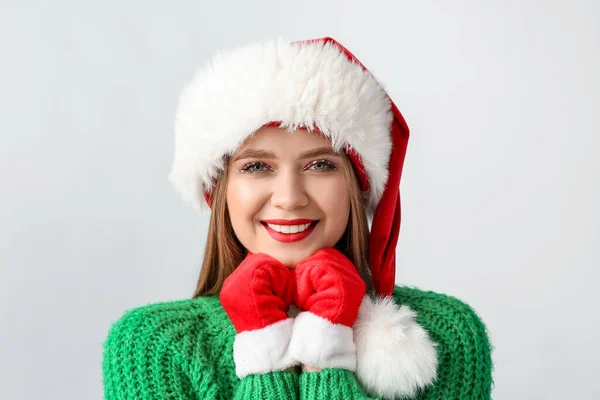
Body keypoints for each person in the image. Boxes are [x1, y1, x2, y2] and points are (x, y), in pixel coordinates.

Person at [102, 37, 493, 399]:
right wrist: (263, 351)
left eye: (321, 164)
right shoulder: (154, 345)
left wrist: (328, 348)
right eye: (256, 166)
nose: (289, 198)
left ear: (357, 186)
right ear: (220, 191)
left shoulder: (443, 335)